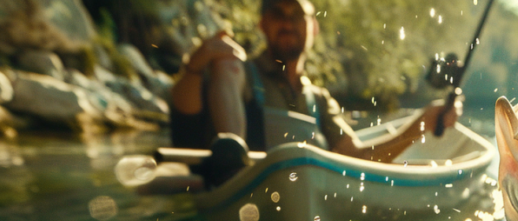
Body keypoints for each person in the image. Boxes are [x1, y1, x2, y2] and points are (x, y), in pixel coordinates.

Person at [169, 0, 460, 164]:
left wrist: (423, 122)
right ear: (262, 25)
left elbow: (359, 158)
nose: (287, 21)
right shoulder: (236, 73)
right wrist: (195, 65)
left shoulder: (319, 100)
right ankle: (232, 159)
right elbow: (185, 118)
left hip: (293, 204)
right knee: (226, 61)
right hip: (237, 193)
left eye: (296, 13)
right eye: (276, 13)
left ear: (313, 27)